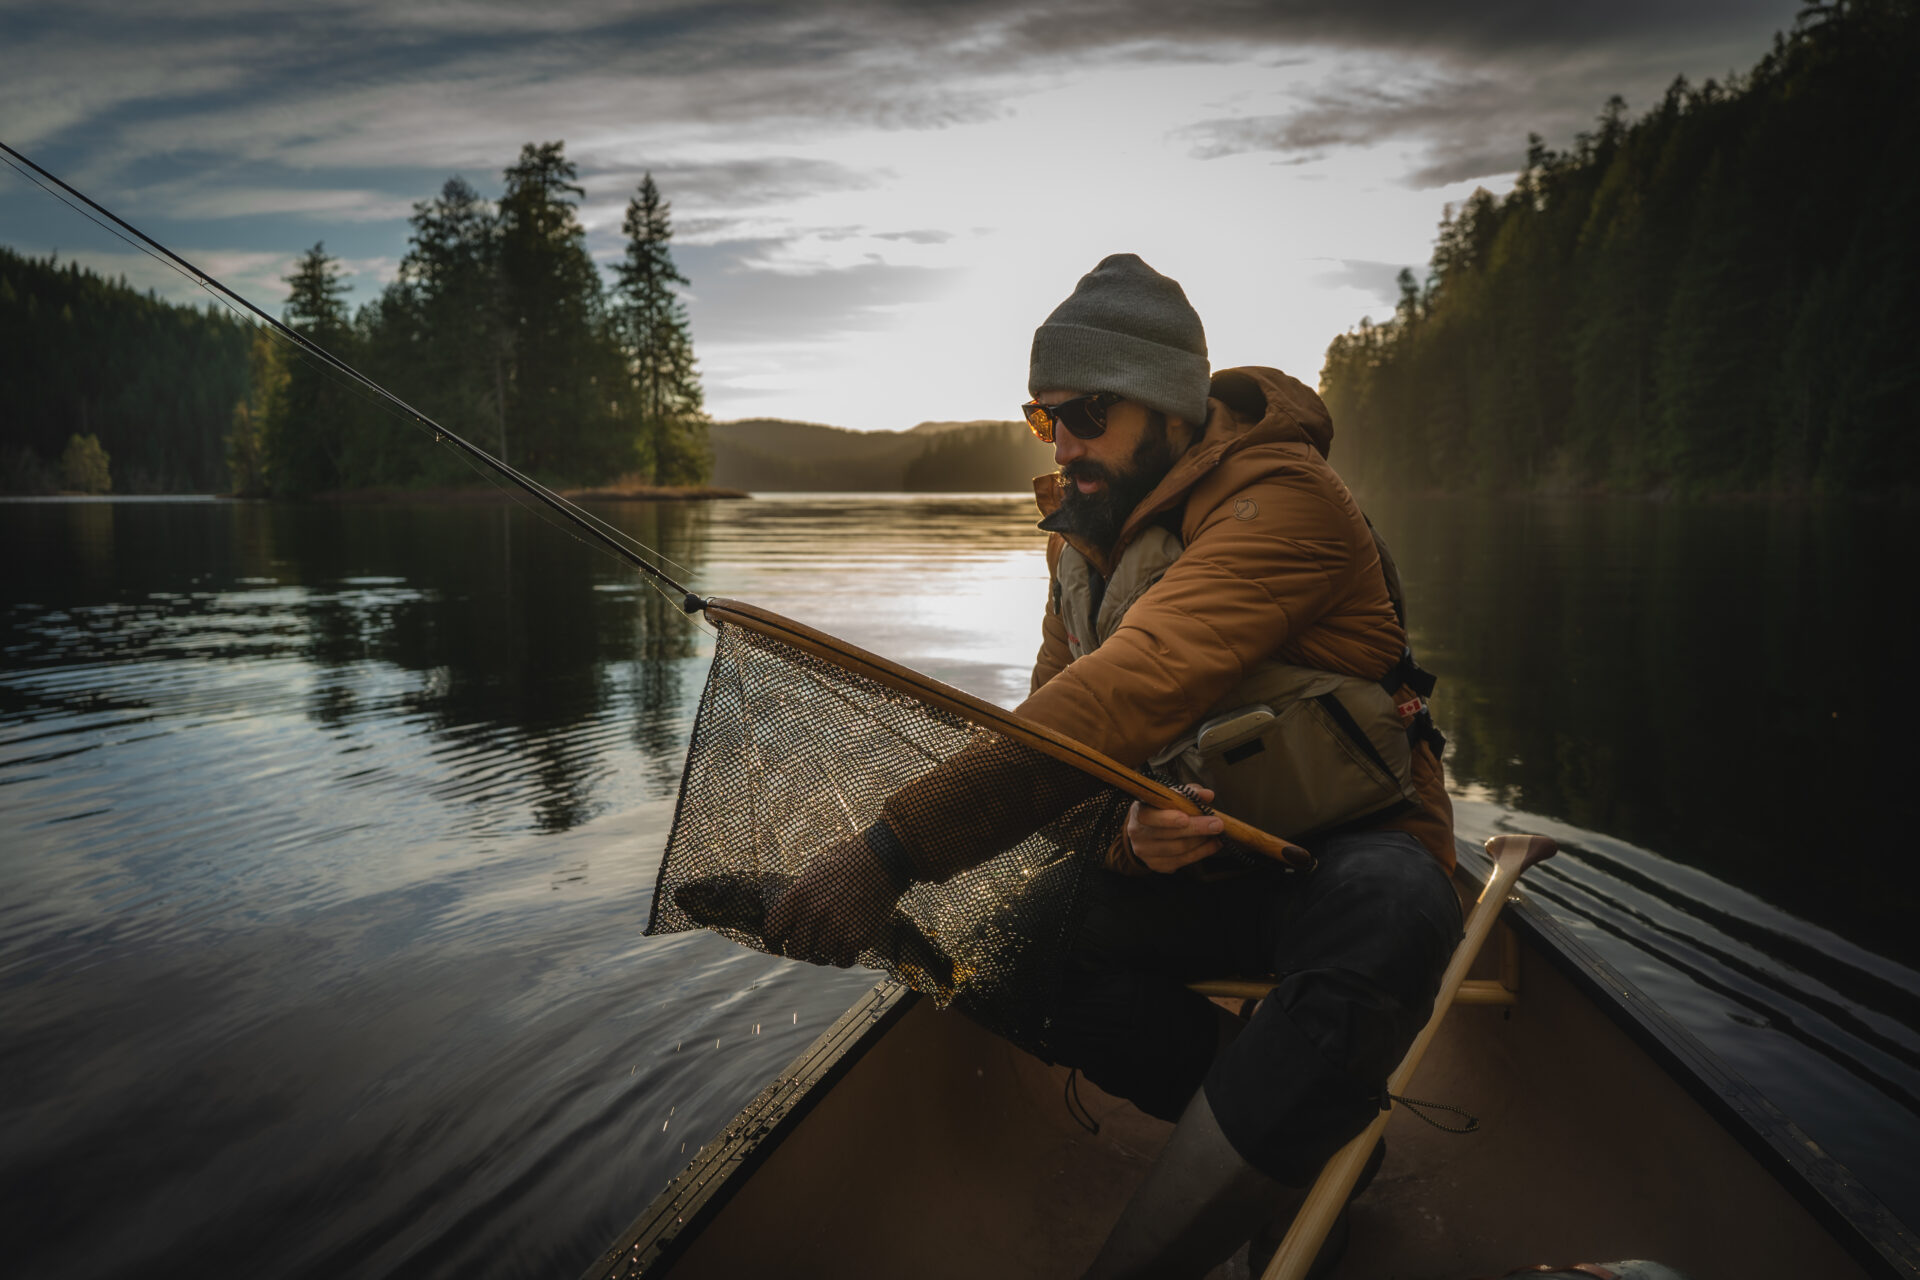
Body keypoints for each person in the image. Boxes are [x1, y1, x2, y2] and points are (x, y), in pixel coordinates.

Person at [768, 253, 1460, 1278]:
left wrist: (891, 845)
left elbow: (1121, 692)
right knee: (993, 947)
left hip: (1344, 857)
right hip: (1206, 872)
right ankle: (1308, 1141)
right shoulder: (1080, 545)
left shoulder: (1286, 504)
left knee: (1399, 907)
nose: (1066, 442)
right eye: (1045, 417)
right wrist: (1129, 841)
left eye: (1088, 412)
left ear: (1173, 408)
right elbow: (1058, 746)